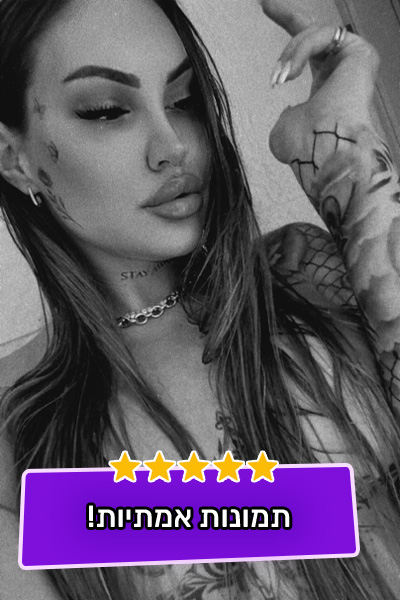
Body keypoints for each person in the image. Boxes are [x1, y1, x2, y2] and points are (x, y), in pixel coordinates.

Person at [0, 0, 399, 598]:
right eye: (107, 110)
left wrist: (348, 157)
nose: (172, 147)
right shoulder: (16, 427)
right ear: (15, 159)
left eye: (183, 99)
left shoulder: (303, 275)